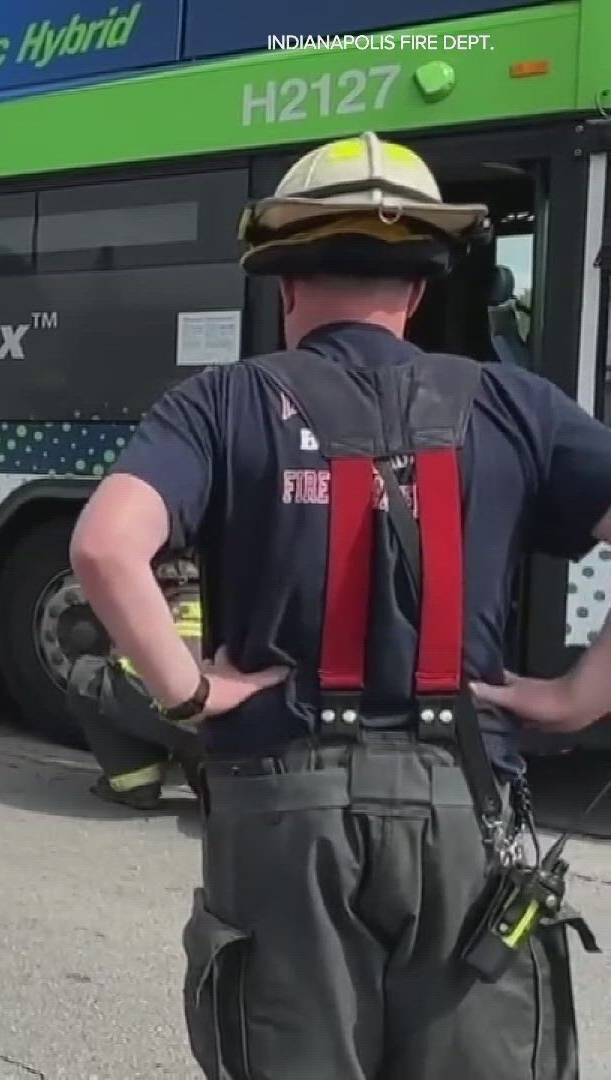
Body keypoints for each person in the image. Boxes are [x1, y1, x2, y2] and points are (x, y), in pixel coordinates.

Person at [69, 131, 604, 1078]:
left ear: (285, 287)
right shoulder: (517, 405)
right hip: (467, 809)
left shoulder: (221, 404)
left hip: (282, 813)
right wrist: (573, 700)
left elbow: (106, 547)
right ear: (418, 291)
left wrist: (190, 694)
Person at [69, 570, 207, 810]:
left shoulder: (142, 598)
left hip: (193, 730)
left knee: (88, 676)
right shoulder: (241, 597)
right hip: (246, 753)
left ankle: (135, 784)